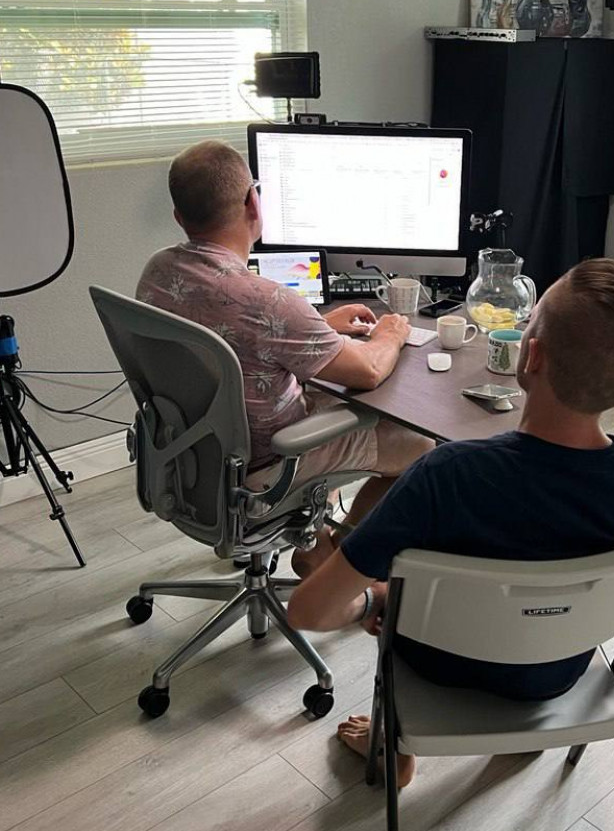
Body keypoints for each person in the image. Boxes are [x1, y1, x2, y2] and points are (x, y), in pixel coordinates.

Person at [287, 257, 614, 786]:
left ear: (532, 355)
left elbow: (309, 611)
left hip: (440, 668)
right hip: (556, 675)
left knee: (390, 594)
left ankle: (394, 741)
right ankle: (523, 733)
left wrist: (376, 598)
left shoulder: (447, 474)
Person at [137, 140, 433, 569]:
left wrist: (319, 326)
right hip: (267, 468)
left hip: (190, 460)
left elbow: (233, 341)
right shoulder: (267, 301)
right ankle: (331, 559)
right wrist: (392, 332)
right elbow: (369, 370)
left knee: (334, 398)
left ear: (178, 217)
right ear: (253, 203)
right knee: (423, 448)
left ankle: (316, 539)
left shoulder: (158, 271)